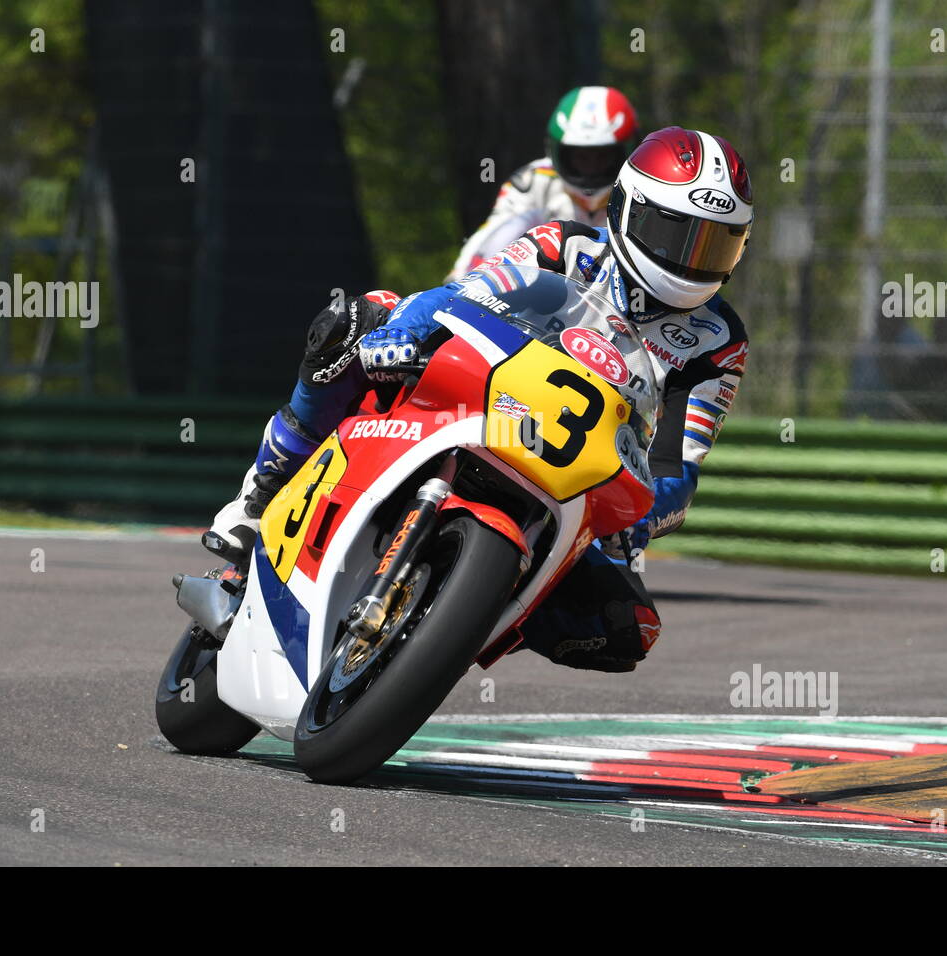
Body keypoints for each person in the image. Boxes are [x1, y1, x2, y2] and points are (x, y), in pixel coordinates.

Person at [206, 127, 754, 672]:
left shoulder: (720, 341)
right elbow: (463, 293)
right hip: (484, 402)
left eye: (715, 244)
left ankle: (456, 622)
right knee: (356, 319)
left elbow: (678, 467)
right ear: (631, 208)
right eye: (679, 235)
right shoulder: (564, 244)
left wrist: (646, 514)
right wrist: (402, 332)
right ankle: (259, 497)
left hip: (584, 482)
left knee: (622, 628)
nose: (692, 260)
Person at [447, 86, 640, 279]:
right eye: (581, 157)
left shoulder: (643, 185)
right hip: (546, 293)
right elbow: (494, 232)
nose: (591, 167)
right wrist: (463, 278)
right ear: (557, 152)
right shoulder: (533, 180)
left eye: (603, 156)